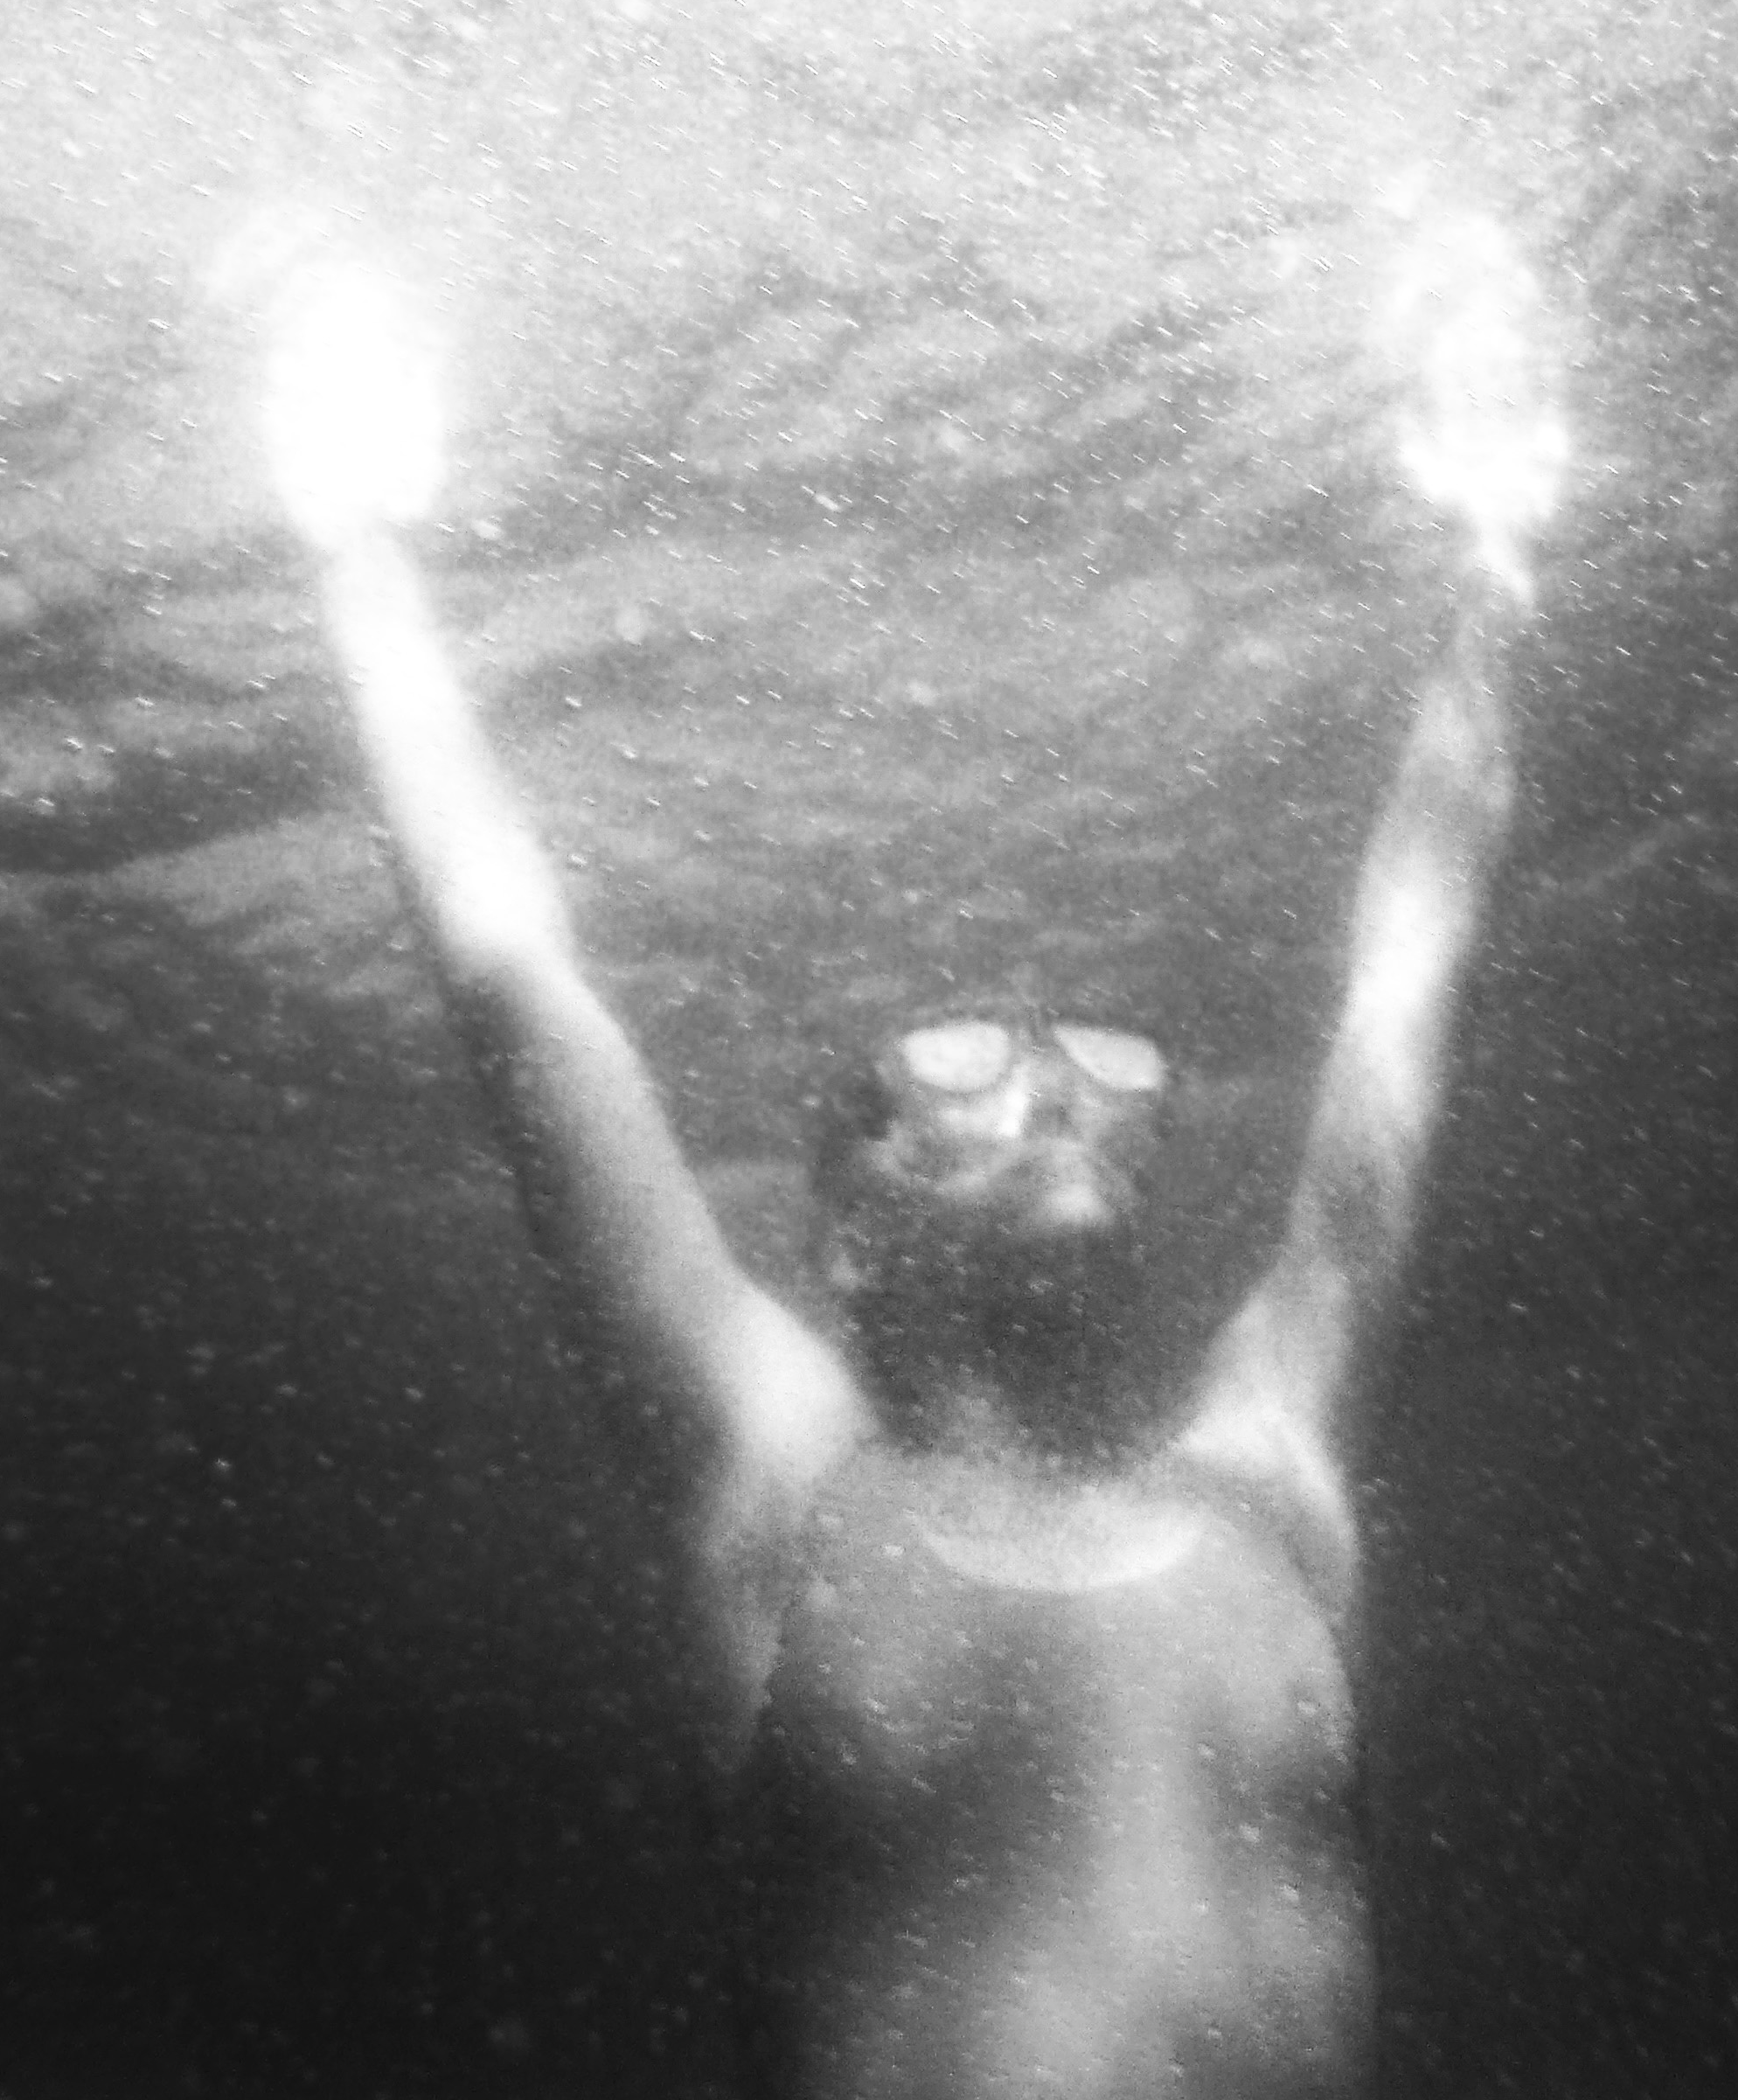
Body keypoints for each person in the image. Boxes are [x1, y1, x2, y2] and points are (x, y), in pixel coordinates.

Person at [243, 214, 1564, 2100]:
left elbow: (1401, 1012)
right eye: (963, 1071)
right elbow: (518, 989)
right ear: (848, 1232)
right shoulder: (791, 1484)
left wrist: (1499, 564)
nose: (1054, 1092)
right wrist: (356, 553)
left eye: (1096, 1070)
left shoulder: (1268, 1469)